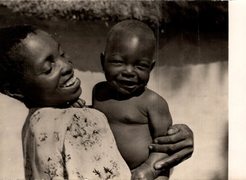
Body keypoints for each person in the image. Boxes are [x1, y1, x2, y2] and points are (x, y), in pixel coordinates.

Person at [0, 25, 131, 179]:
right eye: (49, 69)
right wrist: (154, 168)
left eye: (61, 54)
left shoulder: (34, 124)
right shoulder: (82, 120)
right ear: (16, 90)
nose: (67, 66)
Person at [92, 20, 192, 179]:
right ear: (103, 62)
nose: (129, 72)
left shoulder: (153, 102)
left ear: (151, 68)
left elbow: (165, 146)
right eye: (118, 62)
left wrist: (149, 169)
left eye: (140, 66)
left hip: (145, 174)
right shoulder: (99, 92)